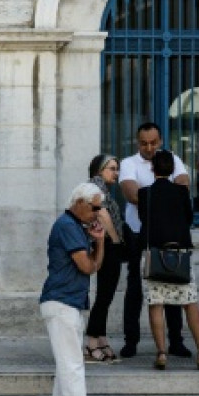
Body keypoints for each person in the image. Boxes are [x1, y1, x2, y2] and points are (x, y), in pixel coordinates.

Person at [42, 183, 109, 396]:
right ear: (79, 202)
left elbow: (95, 264)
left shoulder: (75, 227)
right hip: (62, 302)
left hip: (66, 301)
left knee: (66, 363)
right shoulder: (69, 227)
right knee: (72, 364)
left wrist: (98, 242)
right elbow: (87, 267)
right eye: (94, 207)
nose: (98, 213)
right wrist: (94, 248)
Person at [139, 151, 199, 370]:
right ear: (173, 169)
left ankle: (162, 353)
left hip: (154, 254)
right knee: (190, 303)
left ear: (152, 169)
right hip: (180, 254)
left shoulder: (145, 194)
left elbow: (145, 220)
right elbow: (188, 218)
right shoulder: (182, 192)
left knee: (156, 304)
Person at [118, 123, 188, 359]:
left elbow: (184, 187)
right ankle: (131, 341)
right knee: (135, 287)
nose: (149, 147)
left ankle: (176, 341)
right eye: (144, 143)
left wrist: (151, 196)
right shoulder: (129, 163)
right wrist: (165, 196)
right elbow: (131, 194)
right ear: (137, 142)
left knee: (173, 285)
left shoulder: (173, 159)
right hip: (138, 233)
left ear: (160, 140)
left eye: (153, 142)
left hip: (167, 237)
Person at [83, 154, 126, 363]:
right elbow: (102, 214)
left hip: (105, 245)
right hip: (107, 245)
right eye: (112, 168)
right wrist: (116, 240)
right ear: (99, 170)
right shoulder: (96, 188)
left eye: (117, 168)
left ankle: (101, 338)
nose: (116, 173)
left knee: (105, 296)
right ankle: (92, 343)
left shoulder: (99, 188)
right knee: (104, 296)